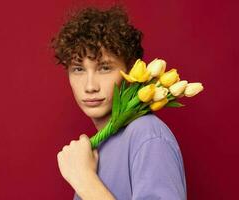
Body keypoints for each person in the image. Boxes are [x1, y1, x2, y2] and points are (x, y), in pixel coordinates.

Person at [51, 5, 187, 200]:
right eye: (78, 69)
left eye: (104, 68)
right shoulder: (98, 148)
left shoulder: (147, 135)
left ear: (130, 71)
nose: (90, 86)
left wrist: (84, 179)